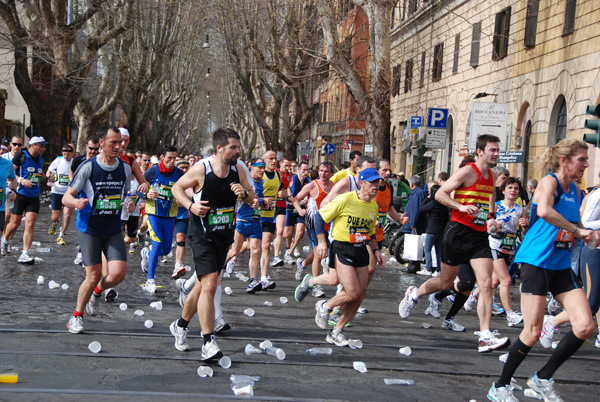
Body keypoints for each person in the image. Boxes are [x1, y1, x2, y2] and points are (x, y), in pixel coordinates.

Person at [487, 138, 598, 402]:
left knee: (585, 326)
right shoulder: (550, 182)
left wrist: (588, 235)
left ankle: (542, 378)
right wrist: (578, 230)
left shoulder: (578, 192)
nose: (587, 163)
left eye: (586, 159)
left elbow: (577, 224)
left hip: (559, 266)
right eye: (582, 159)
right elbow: (546, 211)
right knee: (532, 332)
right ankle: (500, 386)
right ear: (564, 161)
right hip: (536, 262)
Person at [399, 134, 510, 353]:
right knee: (444, 282)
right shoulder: (467, 171)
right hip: (457, 232)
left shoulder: (493, 175)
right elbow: (440, 194)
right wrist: (460, 207)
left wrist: (491, 219)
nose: (496, 154)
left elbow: (488, 202)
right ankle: (413, 294)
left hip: (479, 236)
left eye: (498, 150)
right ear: (480, 151)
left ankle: (485, 335)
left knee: (486, 283)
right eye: (493, 150)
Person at [169, 128, 255, 360]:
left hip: (223, 235)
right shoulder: (201, 170)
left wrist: (243, 195)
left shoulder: (238, 169)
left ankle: (180, 325)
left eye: (239, 147)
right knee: (209, 285)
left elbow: (252, 198)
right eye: (234, 147)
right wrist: (191, 206)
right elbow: (177, 188)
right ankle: (208, 342)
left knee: (199, 287)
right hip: (201, 235)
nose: (238, 151)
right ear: (220, 149)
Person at [296, 168, 384, 346]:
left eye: (378, 183)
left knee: (358, 296)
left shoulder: (373, 206)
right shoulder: (346, 199)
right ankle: (325, 306)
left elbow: (371, 233)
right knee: (352, 291)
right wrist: (321, 242)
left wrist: (376, 251)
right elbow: (320, 217)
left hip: (360, 248)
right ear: (362, 183)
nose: (376, 186)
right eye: (372, 183)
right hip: (342, 247)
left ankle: (336, 331)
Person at [64, 126, 134, 334]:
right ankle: (76, 316)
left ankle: (95, 293)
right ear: (101, 142)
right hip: (90, 229)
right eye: (113, 142)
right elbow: (66, 196)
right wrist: (76, 203)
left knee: (118, 274)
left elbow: (126, 195)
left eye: (120, 142)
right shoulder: (88, 166)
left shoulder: (125, 167)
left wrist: (129, 203)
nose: (118, 146)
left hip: (112, 228)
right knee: (93, 274)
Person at [141, 145, 184, 293]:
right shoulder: (151, 172)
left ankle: (147, 254)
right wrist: (146, 195)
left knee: (165, 250)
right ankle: (150, 280)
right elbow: (139, 192)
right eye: (169, 158)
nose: (172, 161)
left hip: (170, 216)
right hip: (153, 214)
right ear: (161, 158)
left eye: (174, 159)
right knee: (157, 243)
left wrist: (181, 200)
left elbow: (185, 192)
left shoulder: (179, 174)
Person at [291, 161, 334, 298]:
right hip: (313, 223)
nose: (323, 173)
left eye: (326, 171)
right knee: (318, 252)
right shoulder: (312, 185)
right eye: (321, 170)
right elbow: (295, 199)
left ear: (331, 173)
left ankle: (302, 264)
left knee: (323, 252)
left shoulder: (334, 187)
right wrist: (299, 210)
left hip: (329, 224)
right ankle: (315, 285)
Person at [2, 136, 47, 263]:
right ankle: (5, 239)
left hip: (34, 196)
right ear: (33, 146)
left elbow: (39, 173)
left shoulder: (41, 159)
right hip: (20, 195)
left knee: (30, 223)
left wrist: (47, 178)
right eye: (41, 146)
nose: (44, 148)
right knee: (15, 223)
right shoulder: (22, 156)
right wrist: (22, 180)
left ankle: (25, 252)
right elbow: (10, 172)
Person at [223, 157, 265, 294]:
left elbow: (256, 201)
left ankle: (252, 280)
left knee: (256, 250)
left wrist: (262, 203)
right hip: (242, 221)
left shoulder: (261, 182)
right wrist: (256, 200)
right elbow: (239, 197)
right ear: (251, 167)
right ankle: (219, 267)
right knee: (235, 251)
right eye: (259, 167)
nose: (262, 170)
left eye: (264, 167)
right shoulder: (246, 180)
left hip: (255, 221)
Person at [488, 177, 526, 327]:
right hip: (495, 245)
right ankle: (510, 314)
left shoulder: (520, 210)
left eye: (516, 189)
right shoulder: (496, 206)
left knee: (495, 281)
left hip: (509, 247)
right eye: (510, 188)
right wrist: (494, 225)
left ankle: (474, 296)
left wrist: (524, 225)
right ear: (503, 190)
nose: (513, 191)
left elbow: (524, 232)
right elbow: (488, 227)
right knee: (506, 280)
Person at [258, 150, 282, 289]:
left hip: (269, 215)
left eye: (275, 159)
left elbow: (282, 189)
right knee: (250, 246)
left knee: (266, 245)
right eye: (270, 159)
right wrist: (262, 200)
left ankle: (263, 278)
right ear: (264, 160)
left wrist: (288, 196)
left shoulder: (277, 174)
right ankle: (229, 259)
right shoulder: (259, 174)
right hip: (255, 215)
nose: (273, 161)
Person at [283, 161, 311, 263]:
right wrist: (294, 199)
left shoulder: (308, 181)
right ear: (298, 170)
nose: (306, 172)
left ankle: (289, 252)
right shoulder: (292, 179)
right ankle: (288, 246)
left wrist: (308, 202)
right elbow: (287, 193)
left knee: (300, 231)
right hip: (290, 208)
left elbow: (311, 194)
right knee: (288, 233)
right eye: (304, 170)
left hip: (302, 209)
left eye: (308, 170)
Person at [47, 144, 75, 245]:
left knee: (67, 215)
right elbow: (49, 171)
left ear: (72, 153)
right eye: (64, 153)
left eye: (68, 153)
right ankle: (54, 223)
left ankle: (61, 235)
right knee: (55, 217)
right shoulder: (58, 160)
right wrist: (49, 178)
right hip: (57, 191)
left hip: (68, 193)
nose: (66, 156)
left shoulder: (74, 162)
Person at [419, 184, 448, 276]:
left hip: (432, 229)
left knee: (427, 249)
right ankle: (438, 270)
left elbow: (421, 208)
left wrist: (427, 198)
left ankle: (428, 268)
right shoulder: (444, 205)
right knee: (438, 250)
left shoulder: (432, 203)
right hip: (441, 230)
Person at [402, 174, 427, 274]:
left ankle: (413, 266)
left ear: (411, 184)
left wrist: (413, 223)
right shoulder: (417, 193)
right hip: (412, 223)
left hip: (414, 224)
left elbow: (415, 209)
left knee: (415, 246)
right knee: (413, 245)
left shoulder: (418, 194)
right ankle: (412, 265)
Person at [270, 155, 292, 267]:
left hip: (282, 205)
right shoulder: (276, 173)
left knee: (280, 231)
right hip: (271, 206)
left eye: (289, 166)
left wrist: (289, 196)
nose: (288, 168)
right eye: (286, 165)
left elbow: (285, 189)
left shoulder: (290, 175)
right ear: (280, 164)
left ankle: (276, 256)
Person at [171, 159, 192, 278]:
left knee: (180, 238)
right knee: (164, 242)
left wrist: (186, 201)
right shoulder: (171, 178)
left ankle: (177, 264)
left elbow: (195, 196)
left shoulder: (191, 181)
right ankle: (149, 254)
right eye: (182, 168)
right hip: (168, 214)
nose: (184, 170)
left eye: (186, 167)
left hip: (183, 214)